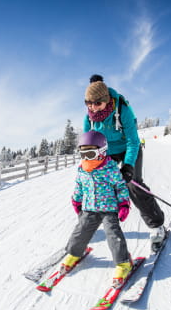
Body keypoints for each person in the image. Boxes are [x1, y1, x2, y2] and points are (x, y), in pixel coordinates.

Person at [83, 74, 165, 245]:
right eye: (89, 103)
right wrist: (89, 161)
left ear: (106, 100)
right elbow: (87, 141)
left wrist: (128, 166)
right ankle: (89, 226)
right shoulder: (89, 116)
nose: (93, 107)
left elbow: (133, 141)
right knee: (98, 185)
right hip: (107, 152)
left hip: (128, 149)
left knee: (133, 185)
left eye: (97, 103)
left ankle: (157, 225)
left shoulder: (123, 110)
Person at [61, 130, 133, 287]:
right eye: (83, 154)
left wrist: (123, 203)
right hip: (89, 208)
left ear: (102, 152)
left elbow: (121, 187)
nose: (86, 158)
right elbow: (79, 186)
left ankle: (123, 263)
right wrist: (76, 200)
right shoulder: (82, 169)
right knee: (80, 231)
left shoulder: (110, 169)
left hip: (109, 208)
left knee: (113, 235)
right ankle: (74, 253)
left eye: (90, 154)